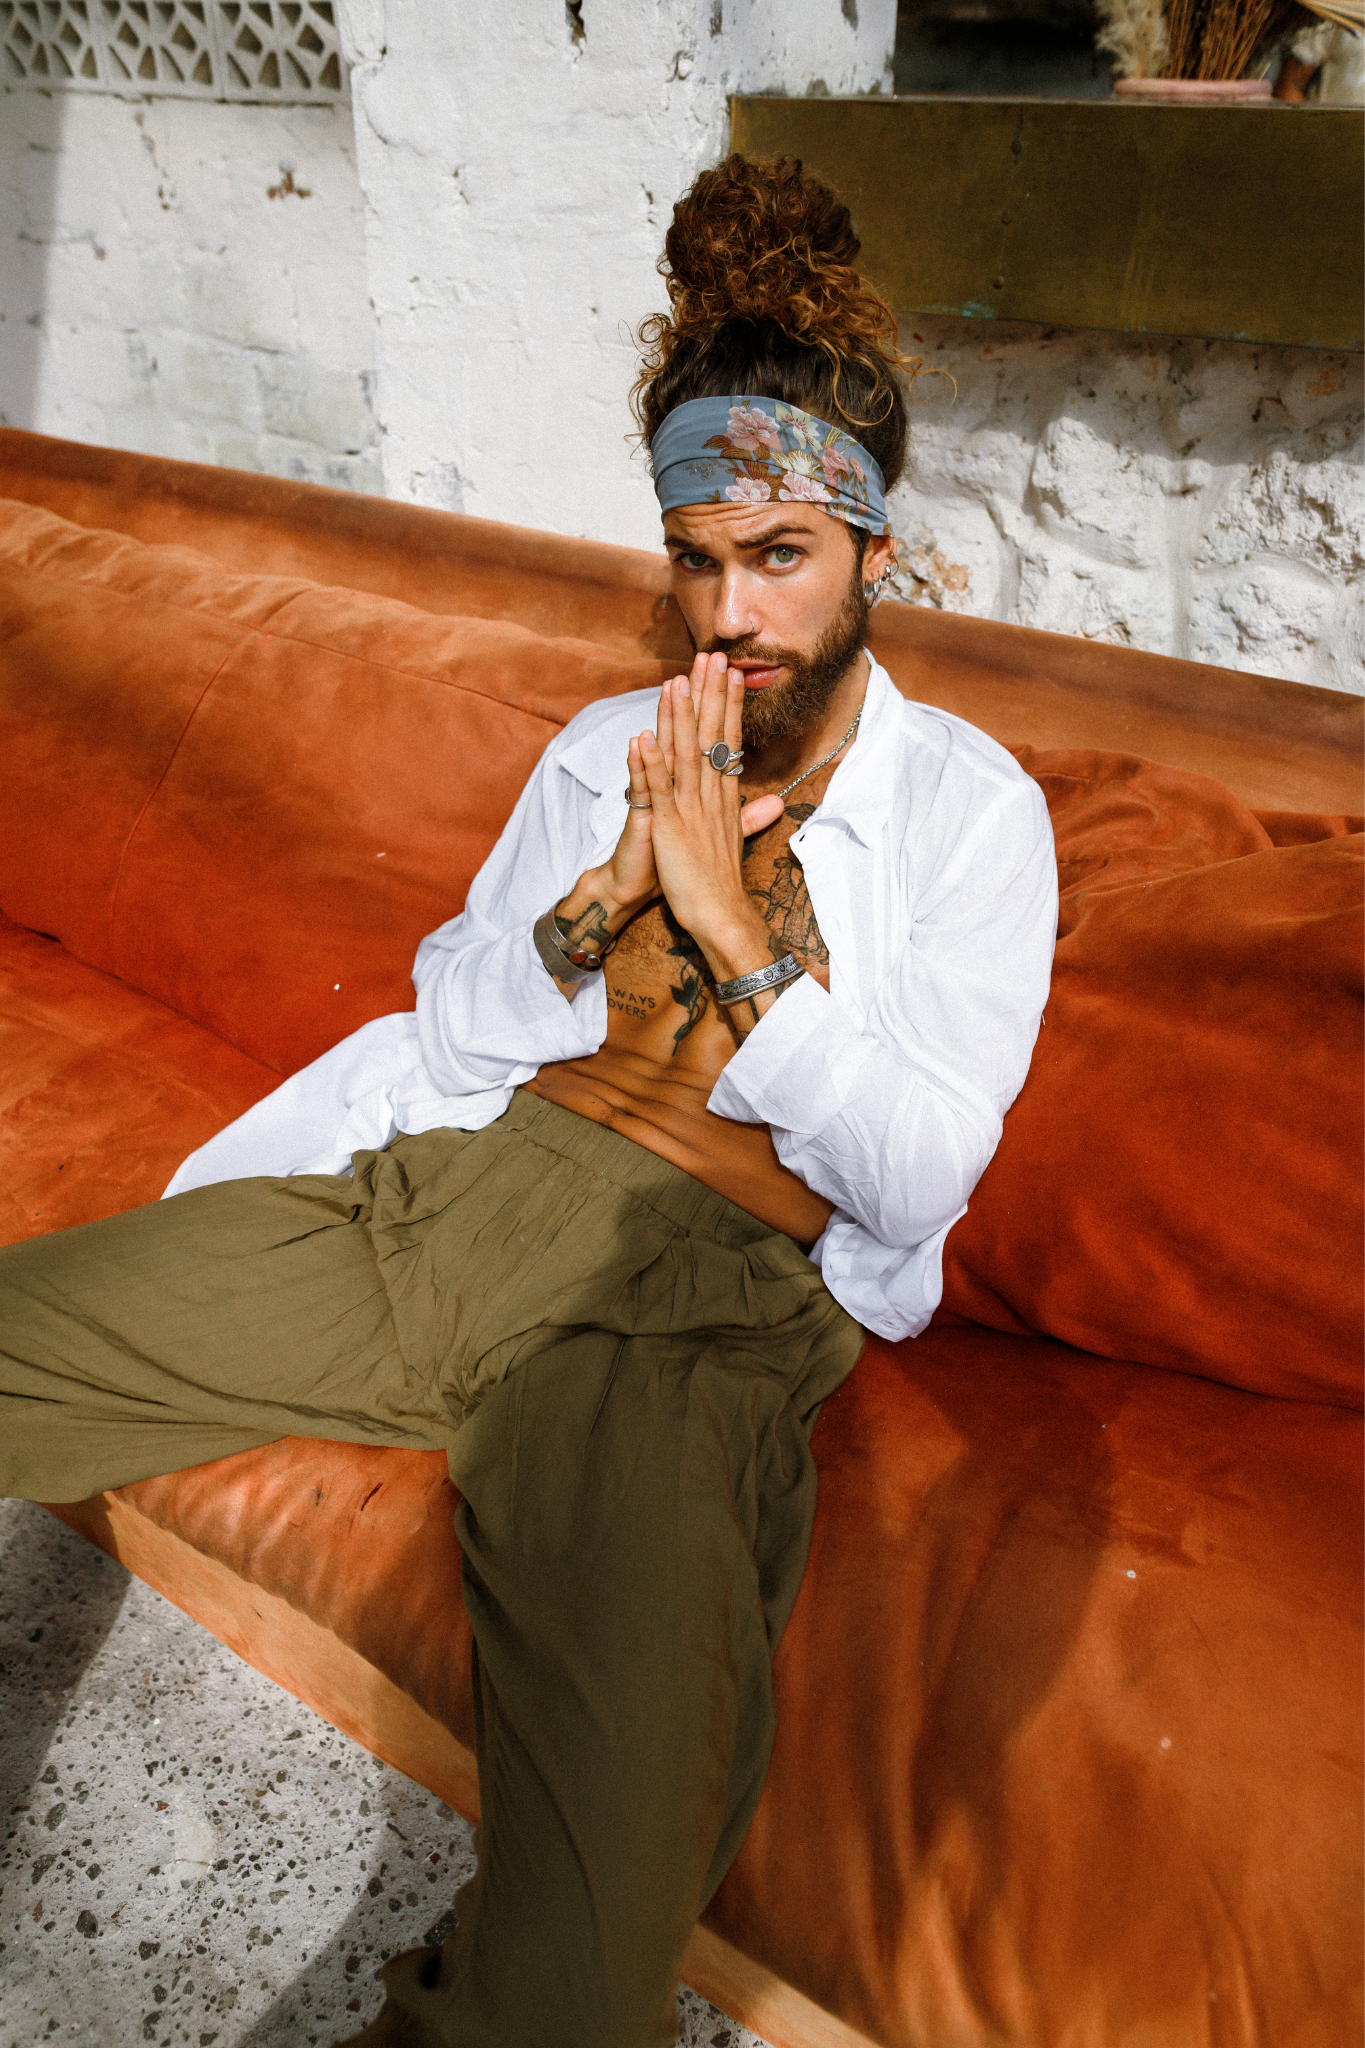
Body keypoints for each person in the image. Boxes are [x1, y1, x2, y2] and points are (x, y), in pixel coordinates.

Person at [0, 155, 1056, 2046]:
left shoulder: (976, 812)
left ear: (873, 553)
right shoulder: (602, 752)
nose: (727, 613)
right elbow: (459, 1018)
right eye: (695, 559)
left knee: (576, 1975)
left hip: (683, 1321)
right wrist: (594, 907)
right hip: (450, 1200)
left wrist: (730, 931)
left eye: (780, 557)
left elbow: (920, 1178)